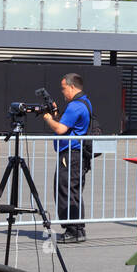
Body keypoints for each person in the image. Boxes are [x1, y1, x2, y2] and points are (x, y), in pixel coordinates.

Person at [41, 73, 93, 243]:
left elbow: (60, 129)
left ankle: (73, 231)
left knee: (65, 191)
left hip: (70, 156)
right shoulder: (85, 102)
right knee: (74, 192)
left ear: (72, 87)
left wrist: (49, 119)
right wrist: (55, 112)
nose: (62, 92)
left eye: (64, 88)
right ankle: (78, 229)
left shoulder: (75, 106)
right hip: (77, 155)